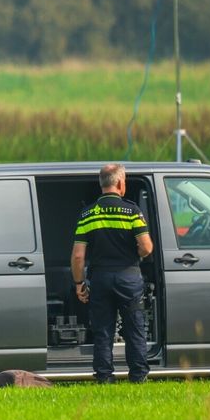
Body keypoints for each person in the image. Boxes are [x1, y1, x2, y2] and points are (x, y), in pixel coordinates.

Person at [72, 163, 154, 384]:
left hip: (100, 279)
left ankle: (104, 376)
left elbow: (78, 256)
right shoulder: (132, 211)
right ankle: (138, 376)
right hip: (129, 277)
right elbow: (147, 247)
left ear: (102, 184)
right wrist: (136, 252)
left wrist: (79, 283)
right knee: (134, 328)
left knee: (103, 331)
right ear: (120, 183)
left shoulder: (87, 214)